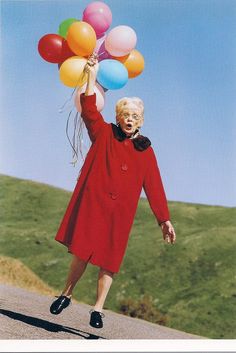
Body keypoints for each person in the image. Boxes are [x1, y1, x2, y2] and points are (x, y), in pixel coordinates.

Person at [49, 53, 176, 329]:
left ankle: (97, 309)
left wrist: (163, 219)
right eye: (125, 115)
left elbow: (154, 186)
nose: (130, 119)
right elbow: (89, 109)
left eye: (135, 116)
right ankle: (66, 294)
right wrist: (91, 78)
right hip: (95, 205)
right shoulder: (104, 133)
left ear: (140, 121)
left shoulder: (146, 151)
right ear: (118, 118)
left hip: (120, 214)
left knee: (109, 261)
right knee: (82, 252)